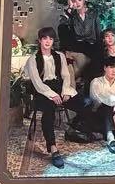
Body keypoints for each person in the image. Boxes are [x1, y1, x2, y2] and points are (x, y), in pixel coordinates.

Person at [21, 26, 85, 170]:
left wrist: (65, 91)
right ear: (40, 40)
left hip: (59, 87)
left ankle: (74, 130)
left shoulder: (59, 56)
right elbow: (37, 82)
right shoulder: (33, 59)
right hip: (42, 91)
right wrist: (52, 95)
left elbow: (65, 76)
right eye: (45, 38)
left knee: (83, 103)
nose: (48, 41)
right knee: (48, 113)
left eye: (50, 38)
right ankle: (53, 148)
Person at [74, 55, 115, 155]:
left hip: (114, 119)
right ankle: (110, 137)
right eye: (111, 67)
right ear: (105, 68)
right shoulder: (96, 82)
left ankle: (105, 133)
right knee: (107, 105)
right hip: (97, 115)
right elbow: (99, 98)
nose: (114, 71)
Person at [57, 0, 102, 80]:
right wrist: (70, 8)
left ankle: (88, 80)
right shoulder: (72, 15)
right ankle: (65, 52)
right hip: (78, 44)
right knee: (62, 27)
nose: (77, 3)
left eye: (79, 0)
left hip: (91, 44)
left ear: (84, 1)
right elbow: (62, 24)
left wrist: (100, 45)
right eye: (74, 1)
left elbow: (98, 32)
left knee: (97, 56)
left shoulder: (93, 14)